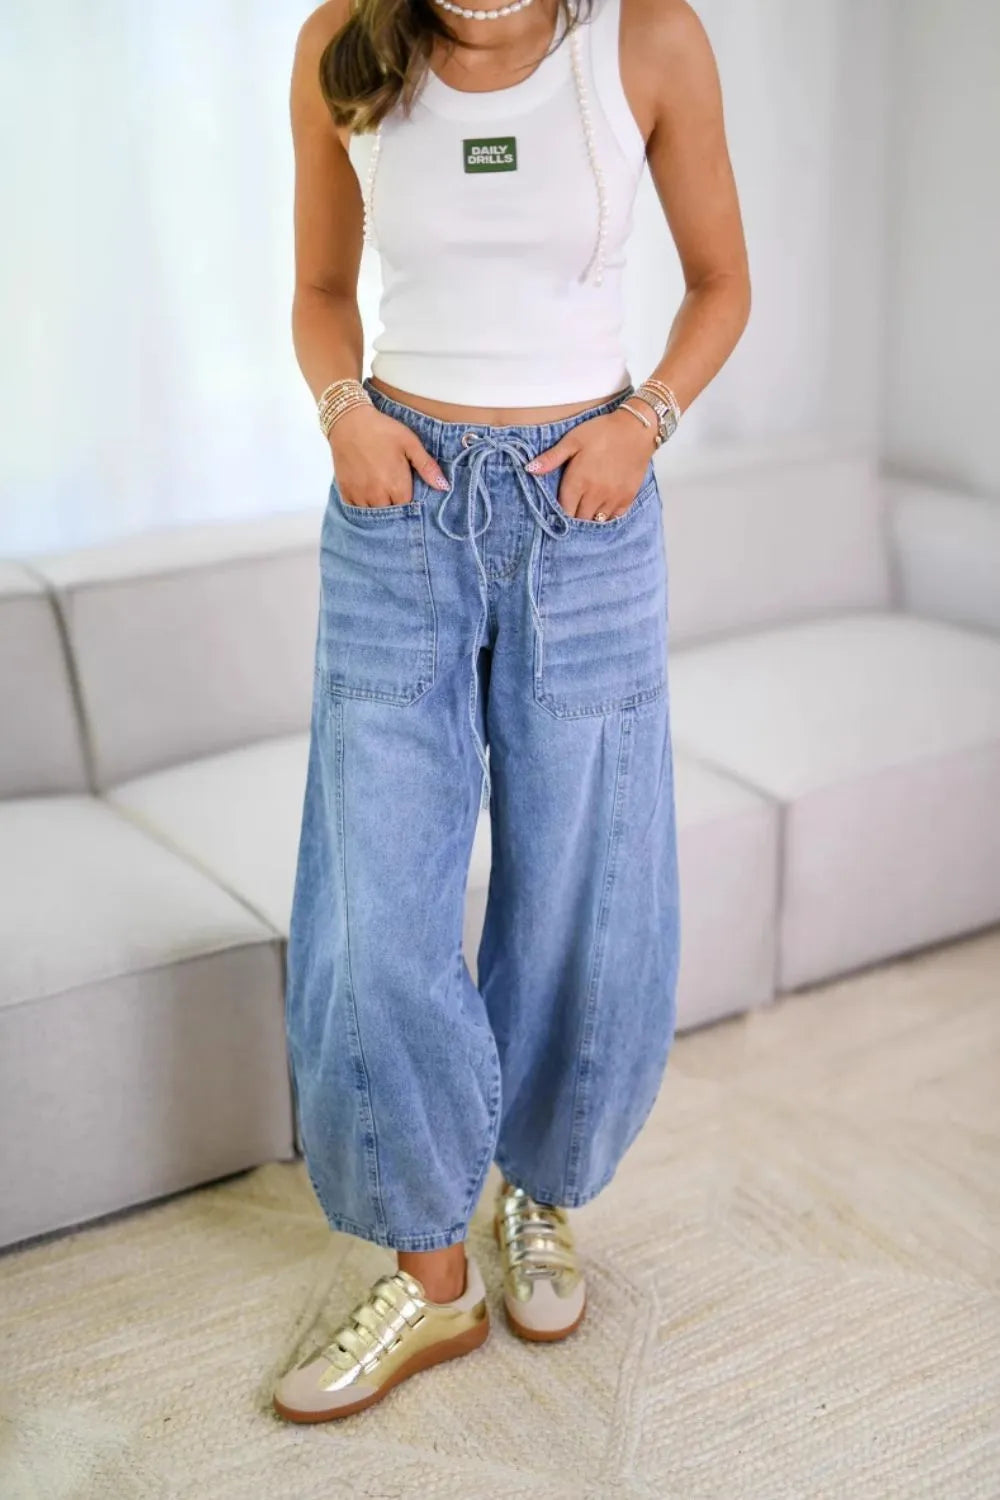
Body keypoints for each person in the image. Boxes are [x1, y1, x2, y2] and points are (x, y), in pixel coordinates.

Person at [273, 0, 749, 1422]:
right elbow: (318, 289)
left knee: (584, 889)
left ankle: (540, 1191)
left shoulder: (648, 40)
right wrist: (345, 414)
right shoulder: (341, 40)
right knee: (373, 908)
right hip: (397, 507)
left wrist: (642, 427)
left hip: (584, 509)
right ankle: (431, 1274)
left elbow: (722, 285)